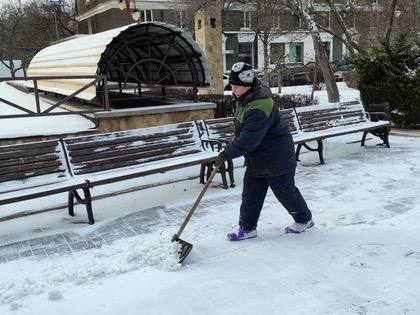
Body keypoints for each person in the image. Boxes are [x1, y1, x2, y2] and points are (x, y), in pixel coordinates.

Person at [215, 62, 314, 241]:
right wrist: (234, 141)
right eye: (232, 86)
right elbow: (242, 130)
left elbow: (249, 140)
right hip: (257, 158)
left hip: (277, 159)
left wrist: (226, 154)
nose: (233, 90)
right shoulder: (243, 100)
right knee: (251, 194)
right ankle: (247, 228)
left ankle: (304, 219)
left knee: (285, 193)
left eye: (236, 87)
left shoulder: (260, 106)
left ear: (247, 86)